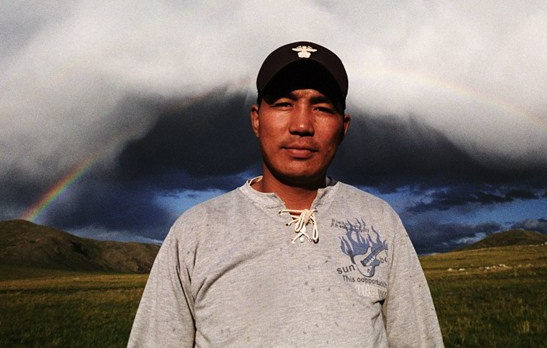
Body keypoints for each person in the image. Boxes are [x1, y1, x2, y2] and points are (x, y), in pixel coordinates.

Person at [128, 41, 443, 347]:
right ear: (256, 119)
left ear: (343, 127)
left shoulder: (380, 222)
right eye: (283, 104)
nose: (302, 125)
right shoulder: (196, 231)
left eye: (322, 108)